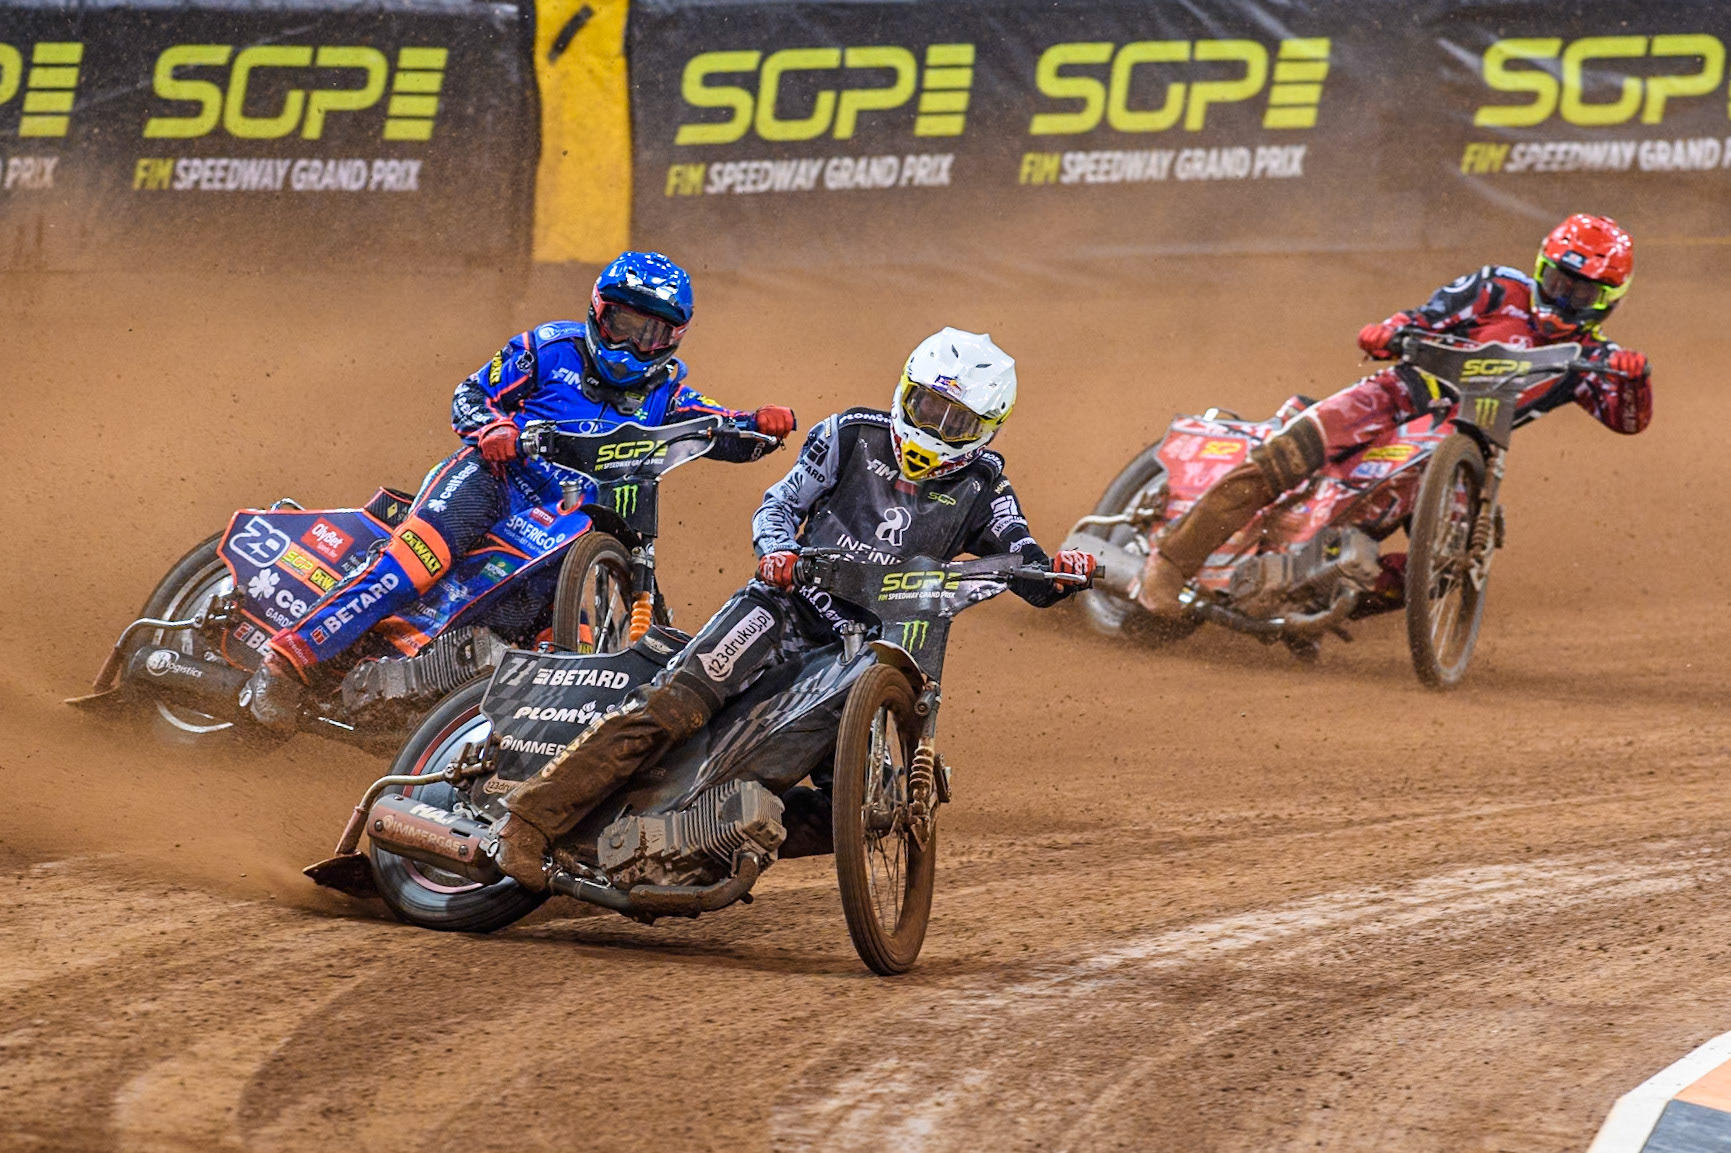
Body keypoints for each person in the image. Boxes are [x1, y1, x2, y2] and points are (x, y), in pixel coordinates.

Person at [491, 327, 1098, 889]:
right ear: (905, 390)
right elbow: (779, 503)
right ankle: (528, 824)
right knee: (675, 706)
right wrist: (776, 549)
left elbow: (1025, 559)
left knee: (861, 809)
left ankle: (702, 842)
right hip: (785, 607)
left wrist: (1063, 570)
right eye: (926, 407)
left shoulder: (985, 482)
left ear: (989, 428)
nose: (935, 427)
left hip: (867, 653)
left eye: (957, 421)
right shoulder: (848, 433)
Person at [245, 250, 797, 727]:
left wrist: (759, 424)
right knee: (411, 567)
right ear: (597, 312)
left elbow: (716, 426)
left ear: (671, 338)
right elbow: (469, 394)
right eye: (622, 324)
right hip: (491, 483)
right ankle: (288, 661)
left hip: (562, 526)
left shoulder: (669, 390)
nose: (630, 344)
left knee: (562, 641)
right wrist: (494, 427)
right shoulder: (547, 348)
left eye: (648, 332)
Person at [1135, 212, 1653, 616]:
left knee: (1445, 567)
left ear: (1608, 301)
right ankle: (1171, 564)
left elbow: (1628, 421)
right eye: (1557, 281)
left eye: (1581, 292)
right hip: (1400, 393)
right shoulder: (1498, 287)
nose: (1563, 297)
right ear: (1540, 268)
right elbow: (1423, 318)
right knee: (1290, 453)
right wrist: (1387, 331)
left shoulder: (1592, 362)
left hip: (1460, 445)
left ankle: (1314, 603)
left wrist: (1635, 378)